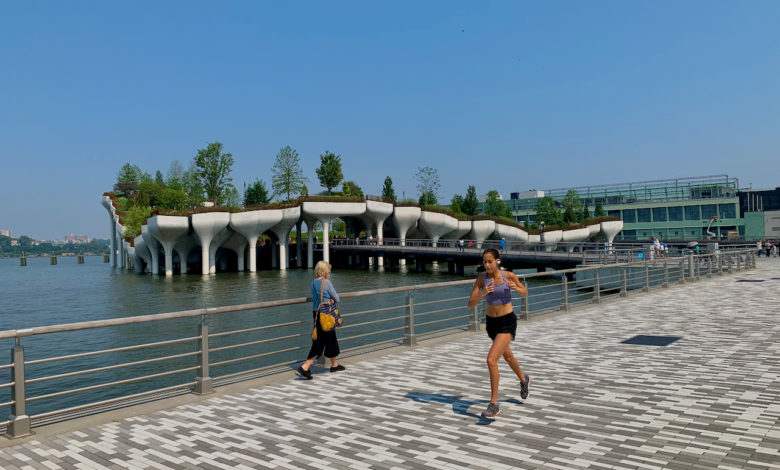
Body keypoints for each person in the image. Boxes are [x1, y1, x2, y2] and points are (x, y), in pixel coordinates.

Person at [467, 248, 530, 419]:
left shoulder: (508, 276)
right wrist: (482, 293)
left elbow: (525, 293)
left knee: (491, 359)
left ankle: (494, 404)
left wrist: (516, 287)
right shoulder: (481, 279)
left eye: (490, 261)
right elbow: (470, 304)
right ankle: (524, 379)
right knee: (508, 356)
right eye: (485, 262)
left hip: (507, 322)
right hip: (492, 324)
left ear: (497, 261)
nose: (487, 265)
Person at [297, 261, 345, 379]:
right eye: (328, 271)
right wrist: (331, 300)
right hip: (326, 314)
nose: (328, 273)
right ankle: (305, 367)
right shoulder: (326, 282)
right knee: (321, 341)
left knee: (329, 338)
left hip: (317, 313)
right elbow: (337, 298)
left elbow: (317, 298)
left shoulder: (313, 283)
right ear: (324, 272)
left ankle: (334, 364)